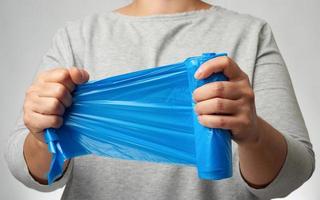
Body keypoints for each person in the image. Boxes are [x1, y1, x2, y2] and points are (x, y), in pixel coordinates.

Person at [5, 0, 315, 199]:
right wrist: (42, 134)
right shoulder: (78, 37)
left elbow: (294, 173)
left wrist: (254, 135)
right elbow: (28, 169)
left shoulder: (249, 33)